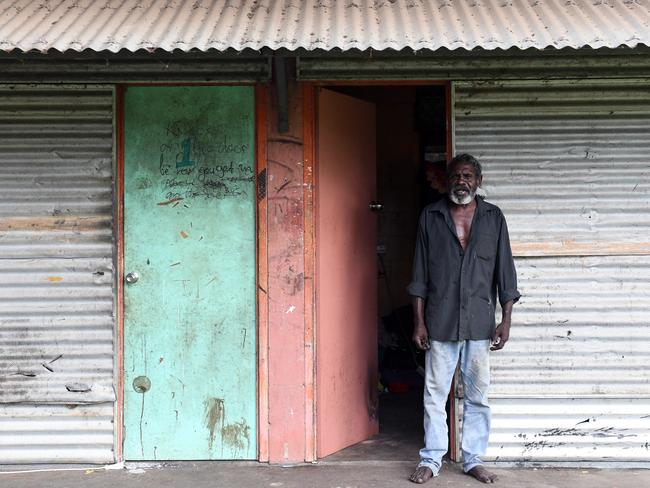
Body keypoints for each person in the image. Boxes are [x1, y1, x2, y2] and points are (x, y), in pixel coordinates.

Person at [407, 154, 520, 484]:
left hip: (479, 323)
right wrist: (418, 322)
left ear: (478, 181)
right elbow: (419, 275)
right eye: (456, 175)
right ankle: (431, 459)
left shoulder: (493, 218)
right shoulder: (431, 216)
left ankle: (472, 459)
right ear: (447, 180)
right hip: (440, 322)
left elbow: (505, 273)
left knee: (477, 396)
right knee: (434, 395)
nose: (462, 181)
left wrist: (506, 320)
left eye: (468, 176)